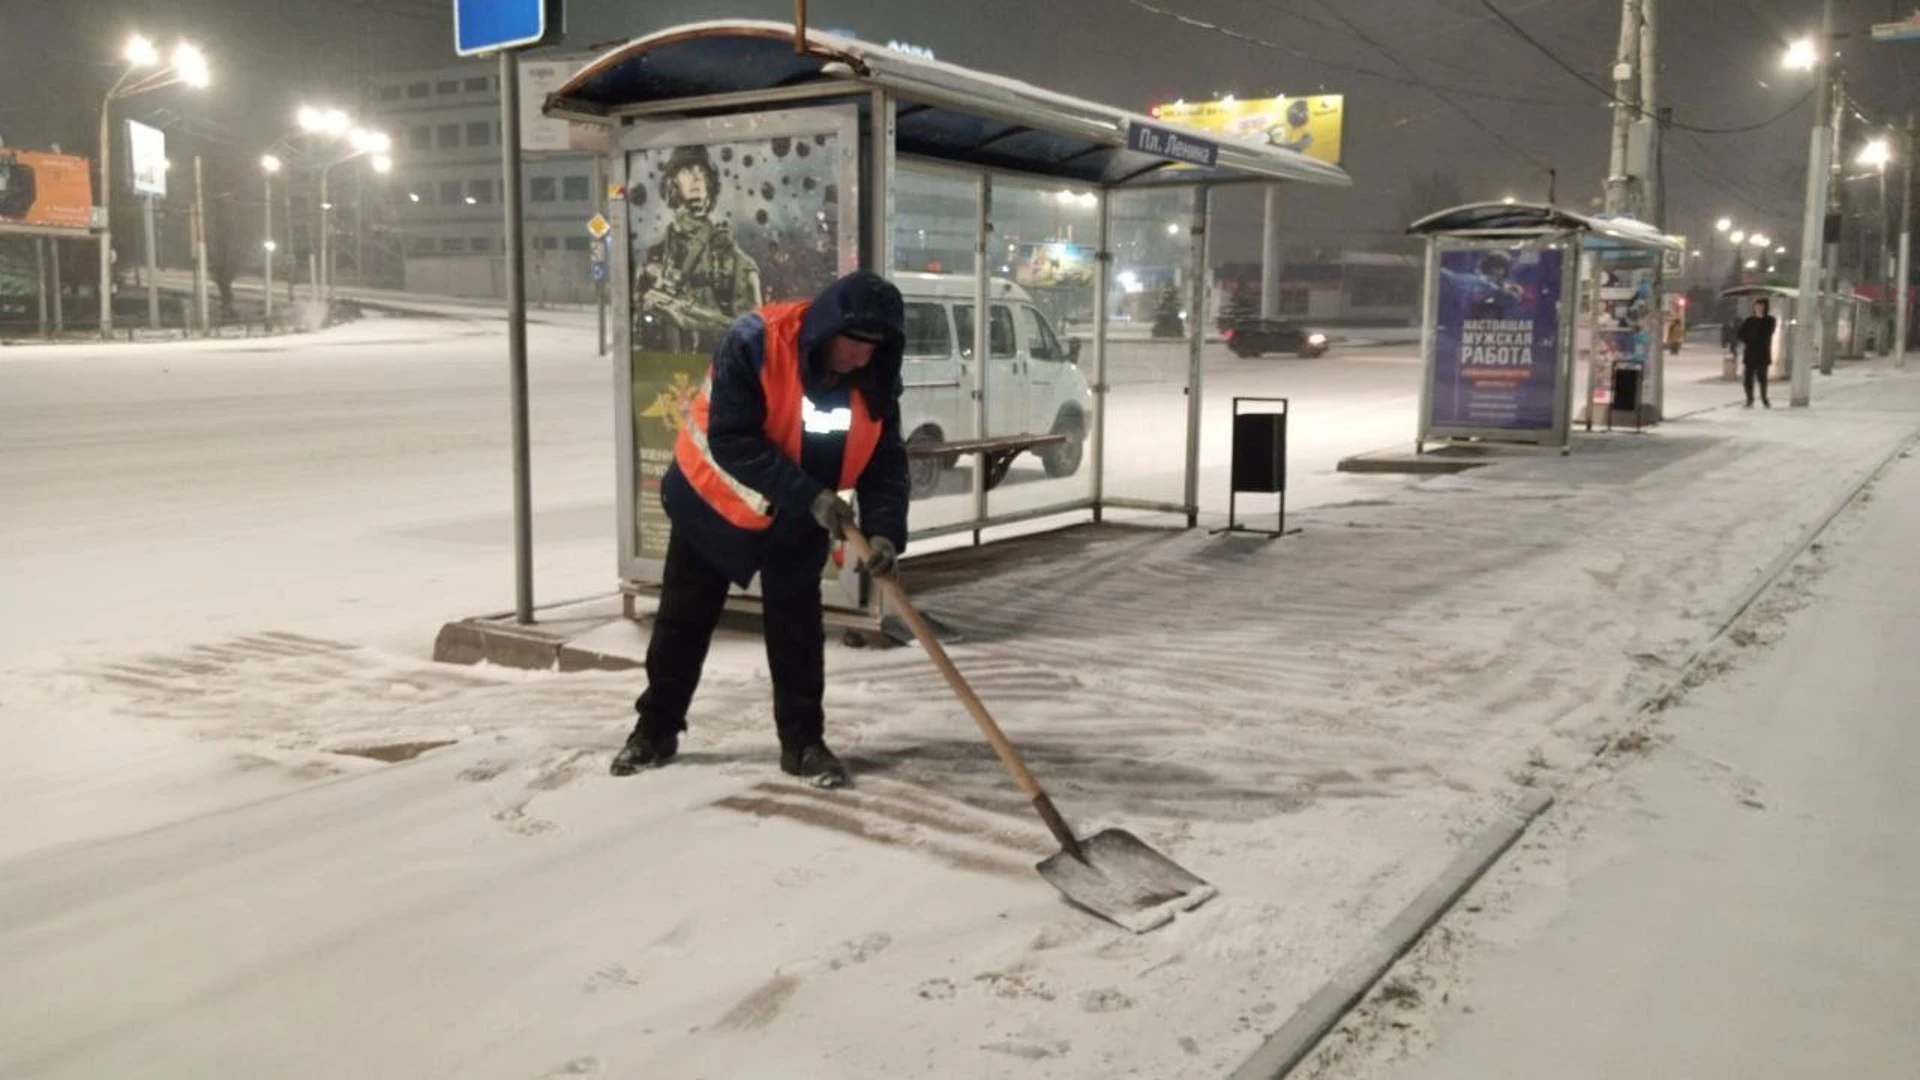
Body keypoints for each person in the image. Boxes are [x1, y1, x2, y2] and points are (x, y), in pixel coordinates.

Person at [612, 269, 911, 789]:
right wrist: (810, 496)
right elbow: (731, 438)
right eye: (854, 344)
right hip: (713, 503)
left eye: (874, 349)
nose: (861, 358)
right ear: (826, 329)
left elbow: (886, 462)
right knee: (683, 624)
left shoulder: (874, 377)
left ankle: (803, 744)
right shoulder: (755, 341)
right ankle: (655, 729)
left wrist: (885, 532)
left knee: (798, 631)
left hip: (798, 519)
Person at [633, 144, 764, 354]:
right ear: (672, 183)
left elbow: (751, 337)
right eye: (686, 171)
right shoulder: (655, 255)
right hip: (663, 374)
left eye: (701, 171)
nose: (696, 178)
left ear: (710, 182)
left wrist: (684, 313)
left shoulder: (734, 261)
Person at [1736, 297, 1777, 408]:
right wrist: (1749, 339)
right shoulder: (1749, 320)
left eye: (1761, 306)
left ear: (1765, 307)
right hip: (1750, 353)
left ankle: (1764, 398)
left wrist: (1752, 336)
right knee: (1747, 379)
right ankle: (1750, 399)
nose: (1758, 308)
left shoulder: (1769, 320)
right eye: (1757, 306)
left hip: (1762, 353)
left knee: (1762, 378)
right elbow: (1741, 334)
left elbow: (1766, 334)